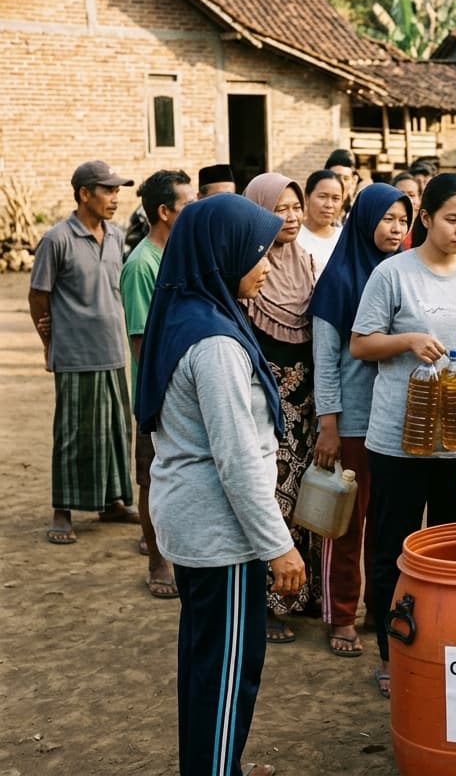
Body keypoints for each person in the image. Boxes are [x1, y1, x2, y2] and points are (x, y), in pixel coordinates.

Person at [134, 194, 304, 776]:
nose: (267, 266)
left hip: (192, 518)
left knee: (207, 660)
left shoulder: (187, 312)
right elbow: (236, 460)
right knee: (231, 669)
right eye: (260, 254)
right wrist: (277, 545)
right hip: (220, 531)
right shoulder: (215, 345)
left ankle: (213, 763)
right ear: (224, 254)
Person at [350, 173, 456, 699]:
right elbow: (361, 345)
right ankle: (393, 653)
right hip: (399, 437)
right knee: (394, 545)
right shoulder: (393, 274)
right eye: (451, 219)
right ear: (426, 219)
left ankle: (444, 646)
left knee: (453, 546)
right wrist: (409, 340)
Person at [310, 183, 412, 659]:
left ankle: (378, 608)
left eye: (403, 220)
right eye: (387, 218)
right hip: (351, 421)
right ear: (365, 218)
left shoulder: (405, 275)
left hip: (393, 422)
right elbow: (325, 360)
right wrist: (328, 423)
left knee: (387, 525)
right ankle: (341, 614)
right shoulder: (339, 280)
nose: (396, 229)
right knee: (346, 524)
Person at [28, 160, 139, 545]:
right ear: (83, 194)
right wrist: (50, 343)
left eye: (117, 191)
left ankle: (113, 502)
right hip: (75, 355)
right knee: (74, 434)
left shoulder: (116, 235)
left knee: (115, 431)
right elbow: (38, 296)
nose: (115, 198)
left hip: (112, 350)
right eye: (107, 191)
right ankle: (63, 509)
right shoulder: (56, 239)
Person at [242, 173, 319, 642]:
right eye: (278, 209)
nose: (290, 218)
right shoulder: (246, 270)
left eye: (295, 208)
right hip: (269, 410)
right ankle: (266, 604)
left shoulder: (308, 264)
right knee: (270, 499)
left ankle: (298, 594)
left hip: (307, 407)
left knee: (307, 501)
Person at [121, 169, 195, 598]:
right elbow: (141, 343)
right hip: (157, 392)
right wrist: (162, 396)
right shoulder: (141, 265)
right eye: (187, 204)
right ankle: (156, 561)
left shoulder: (179, 256)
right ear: (164, 212)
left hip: (182, 390)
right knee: (152, 479)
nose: (194, 210)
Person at [297, 169, 344, 280]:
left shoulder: (344, 238)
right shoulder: (293, 236)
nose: (329, 205)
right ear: (307, 198)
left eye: (336, 198)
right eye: (322, 197)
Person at [325, 149, 361, 222]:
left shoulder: (360, 213)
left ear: (354, 181)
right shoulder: (319, 211)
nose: (341, 184)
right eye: (336, 178)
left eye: (346, 179)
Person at [393, 171, 421, 251]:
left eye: (411, 195)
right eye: (401, 194)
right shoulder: (386, 230)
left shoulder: (427, 233)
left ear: (419, 200)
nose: (407, 199)